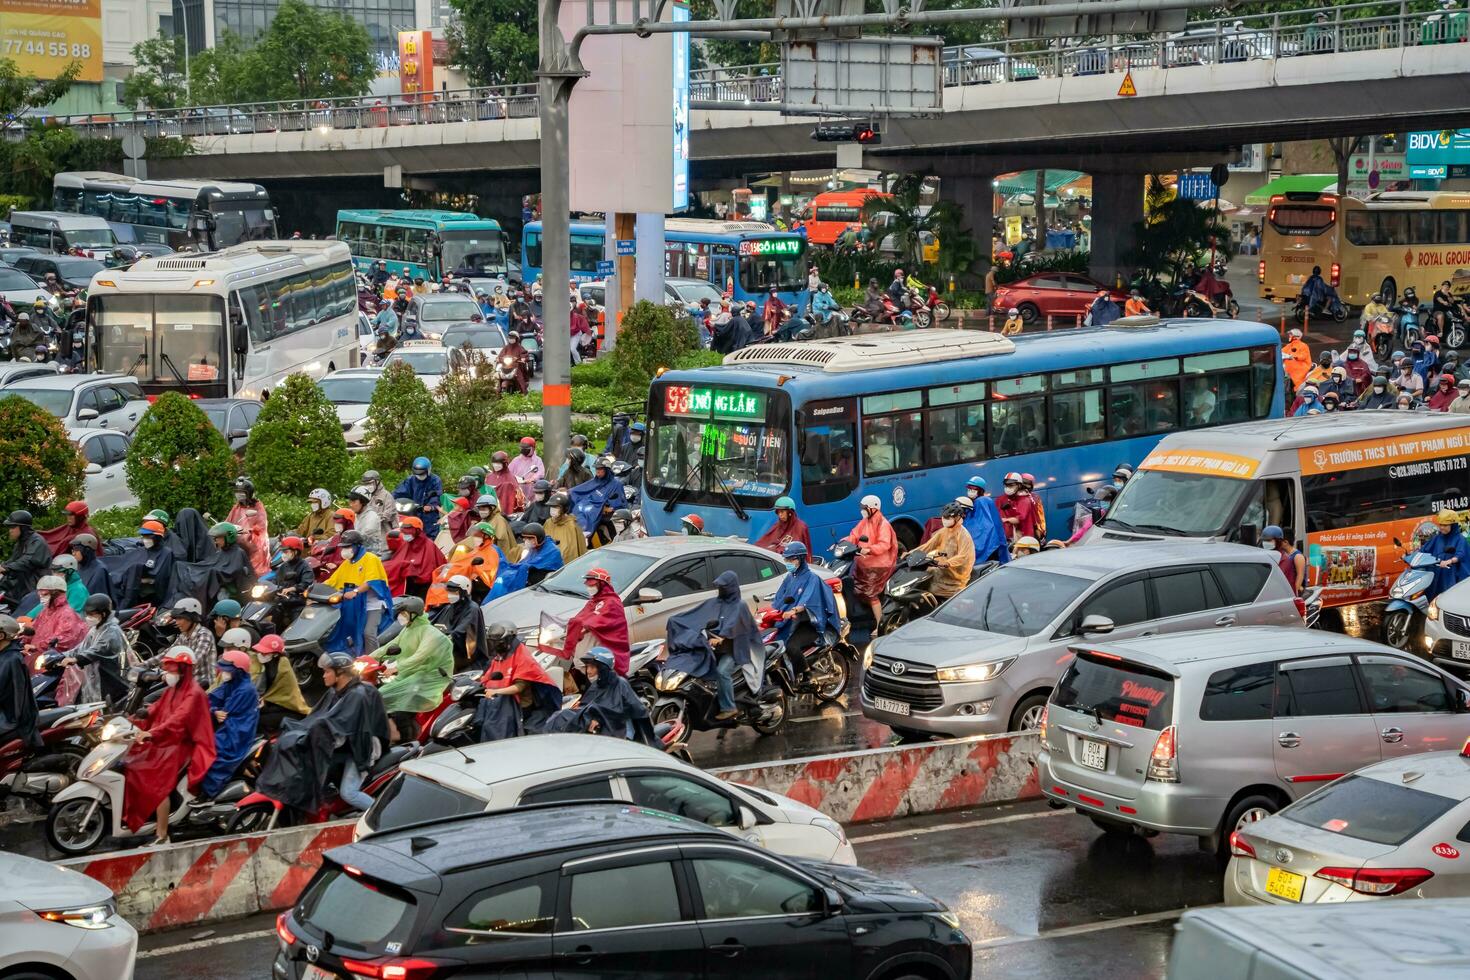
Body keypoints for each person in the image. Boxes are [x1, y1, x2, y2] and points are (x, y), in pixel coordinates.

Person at [257, 651, 389, 814]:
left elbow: (340, 727)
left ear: (340, 674)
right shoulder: (335, 691)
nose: (324, 676)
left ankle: (382, 815)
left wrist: (316, 733)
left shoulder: (358, 696)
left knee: (349, 793)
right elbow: (318, 716)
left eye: (327, 671)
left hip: (361, 748)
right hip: (345, 746)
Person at [120, 648, 216, 841]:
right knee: (130, 762)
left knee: (155, 780)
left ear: (184, 670)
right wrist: (137, 717)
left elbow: (178, 720)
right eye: (168, 670)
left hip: (182, 744)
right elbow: (157, 708)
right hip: (164, 738)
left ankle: (162, 833)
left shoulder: (194, 694)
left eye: (173, 670)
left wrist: (151, 733)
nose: (169, 674)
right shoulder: (174, 689)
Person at [667, 571, 760, 721]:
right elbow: (696, 614)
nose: (721, 590)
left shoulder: (740, 606)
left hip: (733, 650)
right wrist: (675, 620)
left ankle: (729, 707)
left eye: (724, 587)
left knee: (722, 672)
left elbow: (734, 625)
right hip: (715, 648)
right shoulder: (715, 602)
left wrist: (722, 637)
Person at [377, 596, 453, 742]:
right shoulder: (408, 630)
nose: (401, 617)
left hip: (431, 677)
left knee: (401, 705)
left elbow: (420, 656)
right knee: (380, 694)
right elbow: (389, 647)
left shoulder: (431, 634)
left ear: (414, 614)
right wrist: (366, 659)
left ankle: (406, 741)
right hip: (411, 673)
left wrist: (396, 667)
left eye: (404, 614)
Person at [544, 647, 655, 741]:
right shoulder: (596, 686)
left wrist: (597, 719)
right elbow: (586, 707)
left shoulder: (619, 685)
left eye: (592, 667)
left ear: (602, 668)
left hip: (620, 739)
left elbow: (626, 712)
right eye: (587, 667)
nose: (588, 671)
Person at [474, 623, 564, 738]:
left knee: (494, 727)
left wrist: (497, 691)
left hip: (519, 705)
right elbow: (489, 677)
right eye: (493, 642)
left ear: (508, 640)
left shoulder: (523, 658)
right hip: (501, 701)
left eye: (499, 642)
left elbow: (519, 687)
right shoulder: (500, 657)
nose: (496, 645)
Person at [769, 542, 840, 674]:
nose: (788, 562)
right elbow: (780, 598)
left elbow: (807, 599)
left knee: (791, 647)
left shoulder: (812, 578)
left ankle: (806, 674)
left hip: (810, 624)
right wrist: (770, 612)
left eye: (792, 559)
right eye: (786, 559)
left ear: (801, 559)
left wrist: (793, 610)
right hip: (792, 622)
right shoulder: (790, 578)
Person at [200, 650, 260, 798]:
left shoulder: (246, 689)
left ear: (238, 671)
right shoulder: (231, 683)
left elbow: (226, 713)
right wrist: (213, 710)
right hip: (228, 724)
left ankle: (209, 792)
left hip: (237, 730)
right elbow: (210, 699)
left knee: (212, 750)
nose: (223, 672)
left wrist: (214, 711)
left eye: (227, 670)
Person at [325, 530, 394, 655]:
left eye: (347, 547)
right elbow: (332, 581)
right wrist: (314, 590)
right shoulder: (347, 563)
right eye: (343, 547)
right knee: (342, 629)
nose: (344, 550)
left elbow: (371, 581)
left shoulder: (370, 559)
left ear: (357, 546)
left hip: (373, 604)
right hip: (354, 605)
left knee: (368, 633)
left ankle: (373, 662)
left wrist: (355, 591)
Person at [562, 566, 631, 674]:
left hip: (605, 640)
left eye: (593, 584)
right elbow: (582, 616)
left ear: (602, 584)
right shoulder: (594, 600)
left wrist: (584, 628)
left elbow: (599, 620)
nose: (589, 587)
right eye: (588, 584)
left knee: (585, 662)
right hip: (592, 636)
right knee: (580, 661)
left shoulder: (612, 601)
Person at [64, 594, 128, 708]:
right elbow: (82, 647)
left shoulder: (112, 631)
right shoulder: (95, 629)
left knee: (108, 709)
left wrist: (76, 659)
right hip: (95, 676)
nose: (88, 617)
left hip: (110, 677)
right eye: (87, 614)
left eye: (92, 614)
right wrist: (61, 656)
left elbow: (97, 650)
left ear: (103, 614)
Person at [846, 495, 898, 630]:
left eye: (864, 508)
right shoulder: (865, 521)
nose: (862, 511)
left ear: (873, 508)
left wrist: (868, 550)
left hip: (879, 565)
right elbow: (854, 535)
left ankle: (879, 624)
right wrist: (843, 543)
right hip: (864, 563)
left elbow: (884, 544)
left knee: (871, 595)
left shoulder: (883, 524)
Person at [916, 502, 977, 598]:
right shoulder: (944, 531)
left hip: (955, 577)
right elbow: (928, 545)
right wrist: (911, 553)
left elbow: (964, 556)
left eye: (948, 518)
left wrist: (948, 563)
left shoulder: (963, 535)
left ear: (957, 518)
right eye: (944, 517)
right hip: (941, 570)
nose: (944, 520)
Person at [430, 574, 486, 670]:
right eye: (449, 591)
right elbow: (433, 624)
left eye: (454, 592)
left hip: (465, 654)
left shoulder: (472, 608)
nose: (450, 594)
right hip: (447, 649)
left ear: (464, 592)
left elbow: (461, 632)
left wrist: (446, 637)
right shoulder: (449, 607)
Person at [491, 524, 563, 597]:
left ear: (538, 538)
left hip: (544, 582)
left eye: (529, 538)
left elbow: (534, 564)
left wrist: (519, 567)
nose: (525, 540)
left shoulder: (552, 550)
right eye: (525, 538)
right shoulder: (534, 548)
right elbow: (525, 561)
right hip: (534, 576)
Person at [0, 615, 39, 750]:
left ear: (1, 636)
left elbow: (16, 699)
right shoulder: (4, 655)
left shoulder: (12, 660)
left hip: (8, 717)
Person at [28, 574, 86, 661]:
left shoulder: (67, 614)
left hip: (53, 660)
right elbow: (34, 628)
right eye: (40, 595)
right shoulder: (46, 611)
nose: (42, 598)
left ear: (56, 594)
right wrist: (24, 638)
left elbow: (64, 639)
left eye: (45, 595)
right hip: (38, 656)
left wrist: (36, 646)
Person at [569, 455, 629, 532]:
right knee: (577, 508)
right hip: (591, 506)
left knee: (589, 514)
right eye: (596, 468)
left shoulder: (616, 485)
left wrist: (607, 508)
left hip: (604, 512)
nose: (597, 471)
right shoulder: (595, 481)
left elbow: (619, 505)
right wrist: (569, 492)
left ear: (607, 469)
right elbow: (582, 489)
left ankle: (586, 535)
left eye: (600, 469)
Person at [2, 510, 51, 604]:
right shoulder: (21, 542)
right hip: (24, 583)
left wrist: (5, 568)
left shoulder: (37, 541)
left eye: (12, 527)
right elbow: (13, 560)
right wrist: (3, 566)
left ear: (23, 528)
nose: (10, 530)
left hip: (35, 586)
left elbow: (27, 561)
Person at [1422, 508, 1470, 600]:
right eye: (1440, 525)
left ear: (1453, 525)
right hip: (1437, 571)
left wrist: (1450, 560)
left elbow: (1461, 554)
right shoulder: (1437, 538)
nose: (1442, 527)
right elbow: (1425, 549)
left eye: (1445, 525)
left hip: (1452, 574)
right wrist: (1411, 556)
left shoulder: (1460, 539)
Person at [228, 477, 271, 578]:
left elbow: (261, 527)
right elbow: (228, 521)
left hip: (254, 546)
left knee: (254, 573)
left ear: (249, 493)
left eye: (241, 493)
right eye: (237, 492)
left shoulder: (258, 507)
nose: (238, 495)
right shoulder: (237, 507)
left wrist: (247, 531)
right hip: (237, 542)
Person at [961, 477, 1009, 564]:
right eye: (969, 489)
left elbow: (984, 527)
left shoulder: (981, 501)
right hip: (995, 543)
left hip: (990, 546)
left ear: (980, 490)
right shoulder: (973, 502)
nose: (970, 491)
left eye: (974, 489)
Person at [393, 457, 443, 538]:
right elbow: (399, 492)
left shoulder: (435, 480)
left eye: (422, 473)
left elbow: (437, 495)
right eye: (417, 473)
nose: (419, 476)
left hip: (428, 512)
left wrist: (431, 506)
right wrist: (391, 499)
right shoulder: (410, 480)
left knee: (430, 533)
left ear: (428, 470)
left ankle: (430, 546)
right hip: (412, 511)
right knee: (408, 530)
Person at [471, 493, 520, 561]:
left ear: (492, 508)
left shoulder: (499, 520)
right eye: (480, 509)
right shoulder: (485, 519)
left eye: (484, 508)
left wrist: (500, 560)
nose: (481, 511)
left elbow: (503, 543)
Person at [1260, 525, 1306, 596]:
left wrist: (1294, 593)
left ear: (1285, 542)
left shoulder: (1298, 557)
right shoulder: (1280, 553)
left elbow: (1300, 576)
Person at [543, 492, 588, 564]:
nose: (553, 509)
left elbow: (573, 550)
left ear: (564, 508)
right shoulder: (548, 522)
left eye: (556, 507)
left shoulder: (571, 525)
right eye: (551, 507)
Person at [996, 471, 1040, 542]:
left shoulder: (1024, 500)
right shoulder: (1001, 499)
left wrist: (1005, 520)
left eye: (1011, 485)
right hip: (1007, 538)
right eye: (1006, 485)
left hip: (1025, 537)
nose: (1008, 488)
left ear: (1019, 485)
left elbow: (1020, 518)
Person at [69, 534, 112, 603]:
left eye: (76, 549)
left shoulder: (100, 570)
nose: (73, 553)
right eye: (73, 550)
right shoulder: (77, 567)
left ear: (87, 550)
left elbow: (98, 601)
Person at [346, 485, 387, 555]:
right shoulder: (355, 515)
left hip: (371, 555)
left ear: (363, 502)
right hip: (356, 553)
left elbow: (361, 537)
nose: (351, 505)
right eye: (350, 502)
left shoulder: (372, 516)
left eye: (353, 502)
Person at [509, 436, 545, 502]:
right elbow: (508, 473)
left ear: (533, 448)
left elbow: (540, 473)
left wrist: (532, 479)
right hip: (518, 493)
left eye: (527, 449)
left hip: (532, 493)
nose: (524, 450)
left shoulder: (537, 460)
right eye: (522, 448)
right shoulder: (516, 460)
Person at [1281, 328, 1312, 393]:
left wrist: (1294, 356)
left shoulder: (1303, 345)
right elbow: (1281, 351)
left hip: (1300, 369)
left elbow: (1303, 356)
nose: (1289, 336)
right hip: (1290, 370)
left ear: (1295, 336)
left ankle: (1297, 391)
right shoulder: (1289, 345)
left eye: (1290, 335)